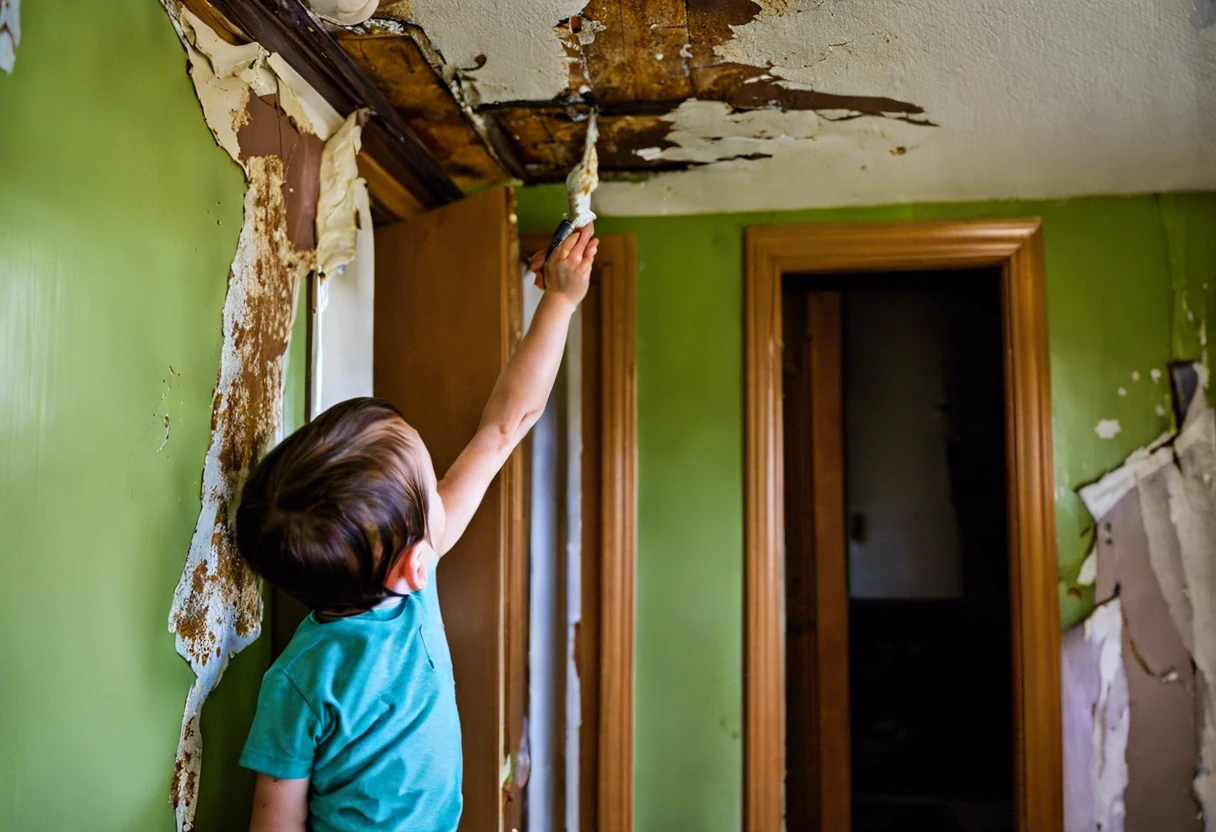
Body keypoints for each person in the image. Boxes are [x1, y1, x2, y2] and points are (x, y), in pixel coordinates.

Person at [233, 224, 599, 832]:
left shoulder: (403, 577)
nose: (444, 491)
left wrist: (558, 301)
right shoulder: (297, 682)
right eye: (433, 489)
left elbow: (505, 424)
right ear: (413, 566)